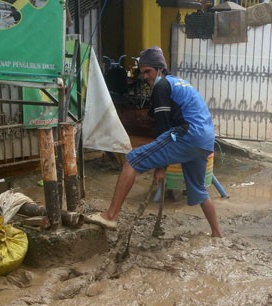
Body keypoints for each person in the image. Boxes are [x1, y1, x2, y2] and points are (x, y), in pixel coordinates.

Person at [86, 46, 223, 238]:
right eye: (142, 73)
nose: (146, 77)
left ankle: (110, 215)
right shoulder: (180, 83)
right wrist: (162, 163)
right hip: (205, 140)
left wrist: (161, 167)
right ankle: (217, 233)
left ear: (160, 69)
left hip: (189, 134)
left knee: (132, 159)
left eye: (148, 72)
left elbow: (164, 129)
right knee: (199, 189)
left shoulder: (162, 86)